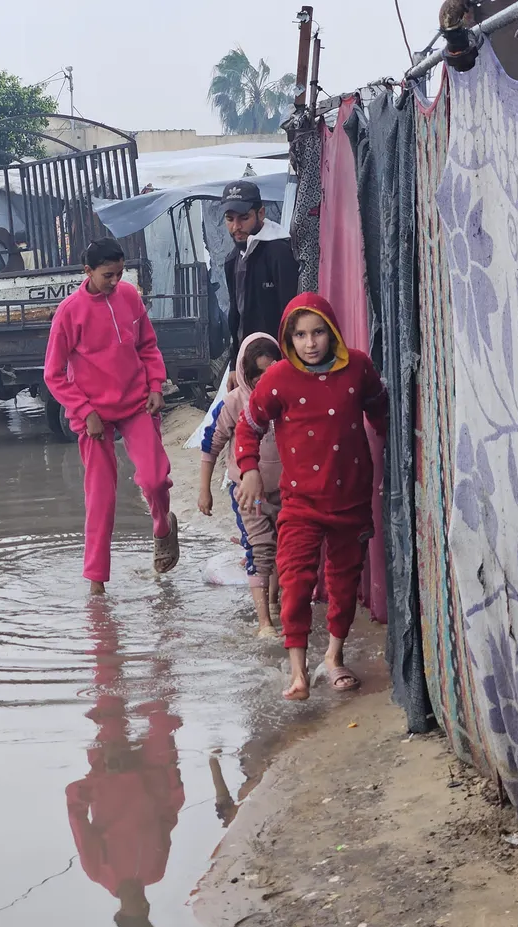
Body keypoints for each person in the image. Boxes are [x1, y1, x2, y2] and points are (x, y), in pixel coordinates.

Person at [236, 292, 388, 701]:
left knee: (343, 582)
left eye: (318, 331)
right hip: (300, 505)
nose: (310, 342)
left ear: (332, 331)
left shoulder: (358, 367)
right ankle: (298, 672)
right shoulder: (279, 379)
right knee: (297, 581)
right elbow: (248, 425)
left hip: (351, 499)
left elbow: (381, 409)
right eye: (300, 334)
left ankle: (334, 659)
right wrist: (248, 469)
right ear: (289, 338)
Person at [43, 238, 180, 595]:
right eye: (108, 275)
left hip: (136, 404)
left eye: (120, 273)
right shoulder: (69, 312)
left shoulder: (131, 297)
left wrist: (155, 385)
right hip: (93, 417)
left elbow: (148, 346)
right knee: (100, 496)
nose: (115, 281)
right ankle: (96, 582)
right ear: (87, 272)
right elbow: (53, 374)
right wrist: (84, 410)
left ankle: (163, 528)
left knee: (153, 478)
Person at [66, 601, 183, 927]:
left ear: (123, 913)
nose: (143, 906)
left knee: (109, 697)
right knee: (162, 712)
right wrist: (171, 780)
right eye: (147, 911)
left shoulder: (98, 870)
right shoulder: (156, 871)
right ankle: (166, 627)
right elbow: (166, 819)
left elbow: (75, 813)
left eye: (138, 913)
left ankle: (102, 624)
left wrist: (98, 781)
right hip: (154, 773)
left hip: (112, 766)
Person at [198, 332, 283, 638]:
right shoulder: (235, 403)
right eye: (255, 374)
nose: (262, 380)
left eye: (269, 371)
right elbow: (211, 444)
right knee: (260, 549)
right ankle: (264, 623)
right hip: (248, 495)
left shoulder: (288, 398)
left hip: (287, 490)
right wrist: (204, 489)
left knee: (282, 550)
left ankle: (274, 604)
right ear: (244, 374)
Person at [220, 179, 298, 381]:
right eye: (230, 219)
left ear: (261, 213)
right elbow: (235, 316)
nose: (236, 227)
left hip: (279, 363)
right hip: (248, 364)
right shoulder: (232, 259)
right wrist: (233, 364)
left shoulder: (279, 251)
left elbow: (291, 314)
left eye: (244, 218)